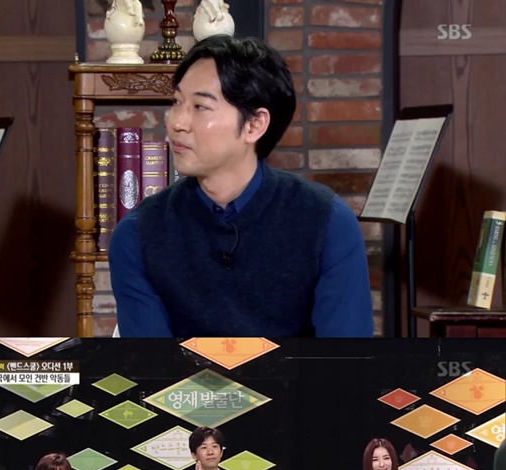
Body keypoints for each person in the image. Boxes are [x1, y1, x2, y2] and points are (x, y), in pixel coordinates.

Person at [108, 36, 374, 339]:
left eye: (200, 106)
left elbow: (344, 359)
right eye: (177, 102)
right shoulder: (138, 234)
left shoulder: (327, 223)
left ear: (254, 125)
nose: (177, 122)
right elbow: (149, 363)